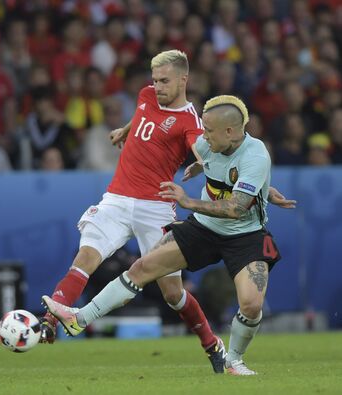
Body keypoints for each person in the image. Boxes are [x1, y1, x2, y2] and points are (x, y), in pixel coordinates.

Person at [43, 95, 296, 376]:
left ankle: (234, 360)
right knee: (142, 267)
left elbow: (236, 208)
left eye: (209, 131)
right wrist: (129, 130)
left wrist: (188, 202)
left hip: (245, 235)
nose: (203, 136)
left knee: (250, 304)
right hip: (204, 227)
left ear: (231, 131)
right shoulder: (207, 144)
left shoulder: (256, 154)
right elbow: (174, 133)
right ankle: (79, 319)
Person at [40, 50, 228, 373]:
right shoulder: (146, 96)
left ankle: (212, 342)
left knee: (172, 294)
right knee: (85, 257)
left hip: (155, 209)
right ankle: (50, 321)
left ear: (184, 80)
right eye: (155, 80)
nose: (157, 87)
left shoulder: (190, 122)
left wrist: (202, 160)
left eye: (165, 81)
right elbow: (144, 114)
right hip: (116, 198)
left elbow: (199, 144)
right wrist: (125, 130)